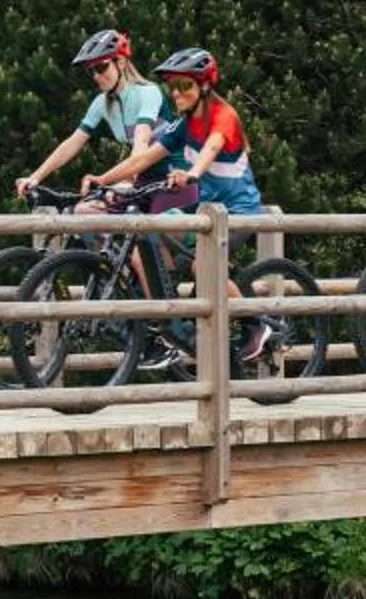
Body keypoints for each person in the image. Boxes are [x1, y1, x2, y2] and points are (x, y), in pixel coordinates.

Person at [91, 47, 278, 366]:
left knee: (200, 266)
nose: (176, 93)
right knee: (154, 234)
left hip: (239, 212)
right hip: (206, 212)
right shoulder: (183, 124)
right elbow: (143, 159)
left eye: (184, 86)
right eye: (172, 87)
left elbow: (211, 148)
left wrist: (191, 174)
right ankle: (170, 323)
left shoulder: (223, 115)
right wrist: (102, 180)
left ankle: (257, 324)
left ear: (204, 86)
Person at [15, 29, 166, 203]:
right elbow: (73, 142)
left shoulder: (148, 93)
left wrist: (125, 181)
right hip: (144, 180)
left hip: (172, 178)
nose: (96, 76)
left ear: (121, 62)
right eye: (92, 71)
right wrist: (35, 178)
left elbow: (141, 144)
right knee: (83, 210)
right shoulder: (102, 103)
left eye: (101, 67)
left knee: (109, 206)